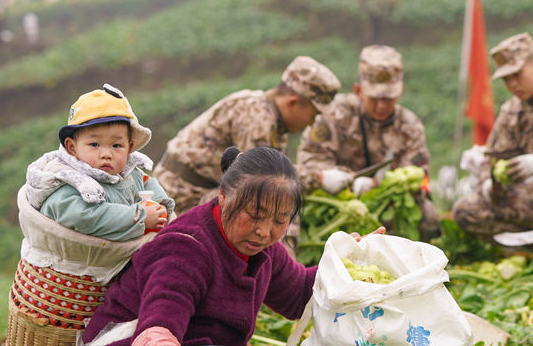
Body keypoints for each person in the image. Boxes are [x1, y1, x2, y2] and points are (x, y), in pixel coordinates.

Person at [73, 146, 383, 346]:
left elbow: (296, 297)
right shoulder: (186, 247)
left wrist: (347, 262)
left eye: (280, 220)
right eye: (255, 215)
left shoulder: (264, 249)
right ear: (223, 196)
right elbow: (151, 344)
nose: (265, 231)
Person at [153, 56, 341, 214]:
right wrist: (320, 178)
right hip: (181, 198)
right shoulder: (257, 118)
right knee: (272, 203)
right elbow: (265, 178)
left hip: (199, 191)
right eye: (313, 114)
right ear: (292, 102)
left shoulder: (272, 119)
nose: (311, 123)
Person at [451, 33, 533, 259]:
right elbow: (492, 155)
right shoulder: (511, 110)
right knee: (465, 210)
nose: (512, 84)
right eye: (506, 79)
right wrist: (488, 182)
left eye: (517, 75)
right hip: (525, 200)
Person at [297, 44, 439, 239]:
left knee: (428, 215)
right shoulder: (334, 115)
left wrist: (379, 187)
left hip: (387, 206)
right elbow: (310, 159)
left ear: (400, 92)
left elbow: (420, 177)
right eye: (374, 98)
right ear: (358, 91)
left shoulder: (409, 125)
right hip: (336, 204)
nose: (381, 106)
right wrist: (347, 182)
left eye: (388, 99)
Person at [25, 84, 173, 241]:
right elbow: (82, 217)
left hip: (115, 258)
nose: (106, 154)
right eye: (94, 145)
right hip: (72, 262)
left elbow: (146, 184)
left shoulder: (128, 171)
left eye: (116, 146)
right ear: (72, 147)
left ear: (129, 148)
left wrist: (158, 206)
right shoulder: (66, 180)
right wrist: (138, 217)